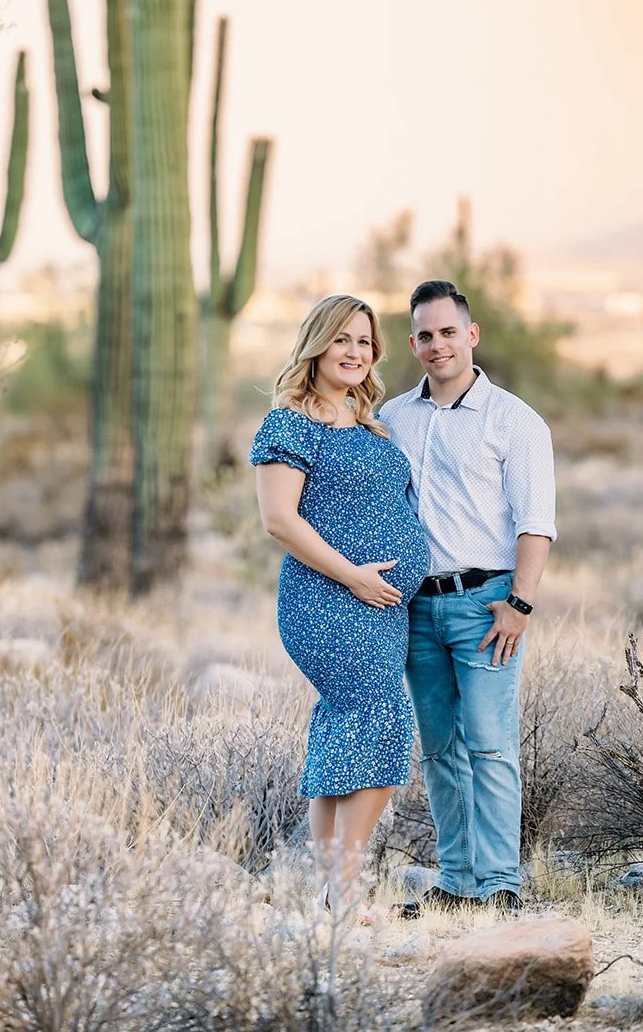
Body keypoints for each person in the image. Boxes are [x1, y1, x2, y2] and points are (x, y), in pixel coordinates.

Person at [377, 279, 557, 919]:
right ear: (412, 343)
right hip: (413, 608)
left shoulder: (514, 421)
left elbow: (536, 523)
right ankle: (456, 879)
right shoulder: (394, 418)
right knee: (439, 747)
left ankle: (501, 881)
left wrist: (520, 604)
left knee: (489, 742)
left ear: (471, 335)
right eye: (425, 335)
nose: (437, 345)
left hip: (487, 606)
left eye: (448, 332)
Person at [250, 293, 430, 918]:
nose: (355, 352)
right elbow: (278, 520)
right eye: (341, 340)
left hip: (381, 606)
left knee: (345, 729)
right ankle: (343, 890)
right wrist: (354, 576)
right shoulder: (289, 425)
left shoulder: (372, 425)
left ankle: (329, 891)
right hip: (329, 600)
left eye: (364, 341)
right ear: (316, 346)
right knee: (383, 726)